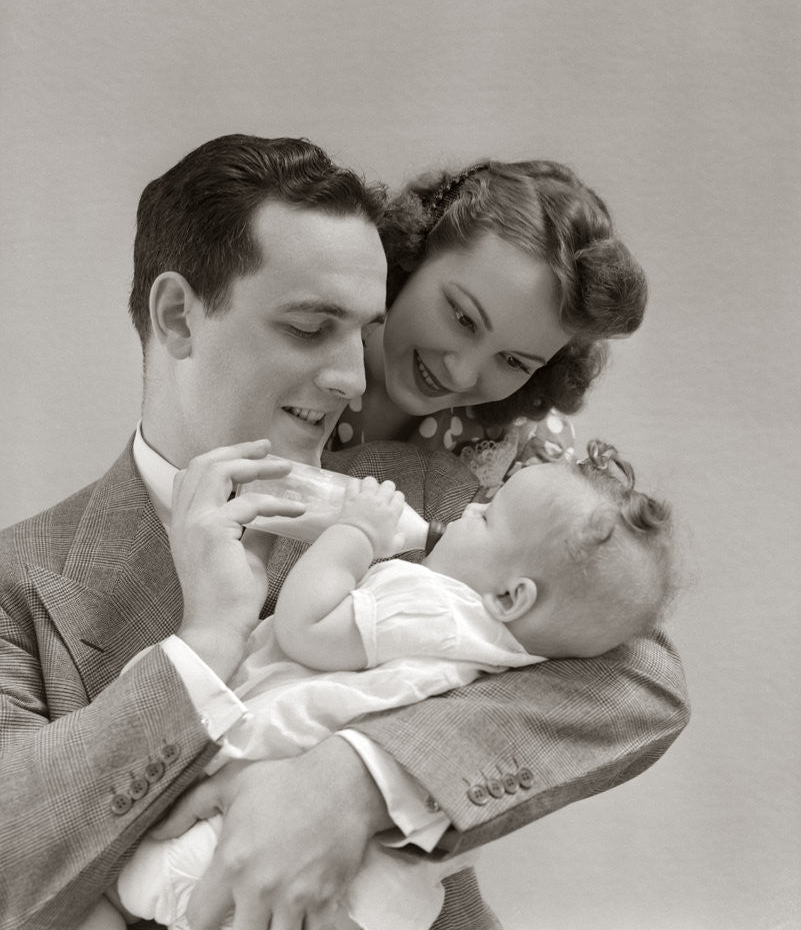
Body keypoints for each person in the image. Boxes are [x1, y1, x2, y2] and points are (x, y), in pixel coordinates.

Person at [0, 134, 689, 930]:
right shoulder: (22, 580)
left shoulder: (431, 494)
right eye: (308, 326)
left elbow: (639, 677)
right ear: (177, 315)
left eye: (360, 329)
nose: (355, 377)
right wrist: (203, 646)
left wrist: (355, 777)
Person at [101, 441, 675, 930]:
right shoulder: (508, 649)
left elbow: (308, 628)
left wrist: (355, 533)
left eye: (486, 515)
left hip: (258, 763)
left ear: (511, 596)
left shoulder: (434, 605)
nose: (469, 506)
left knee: (141, 881)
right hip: (372, 870)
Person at [329, 159, 646, 493]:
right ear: (414, 249)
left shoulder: (522, 456)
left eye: (513, 361)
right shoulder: (293, 347)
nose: (460, 374)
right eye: (464, 319)